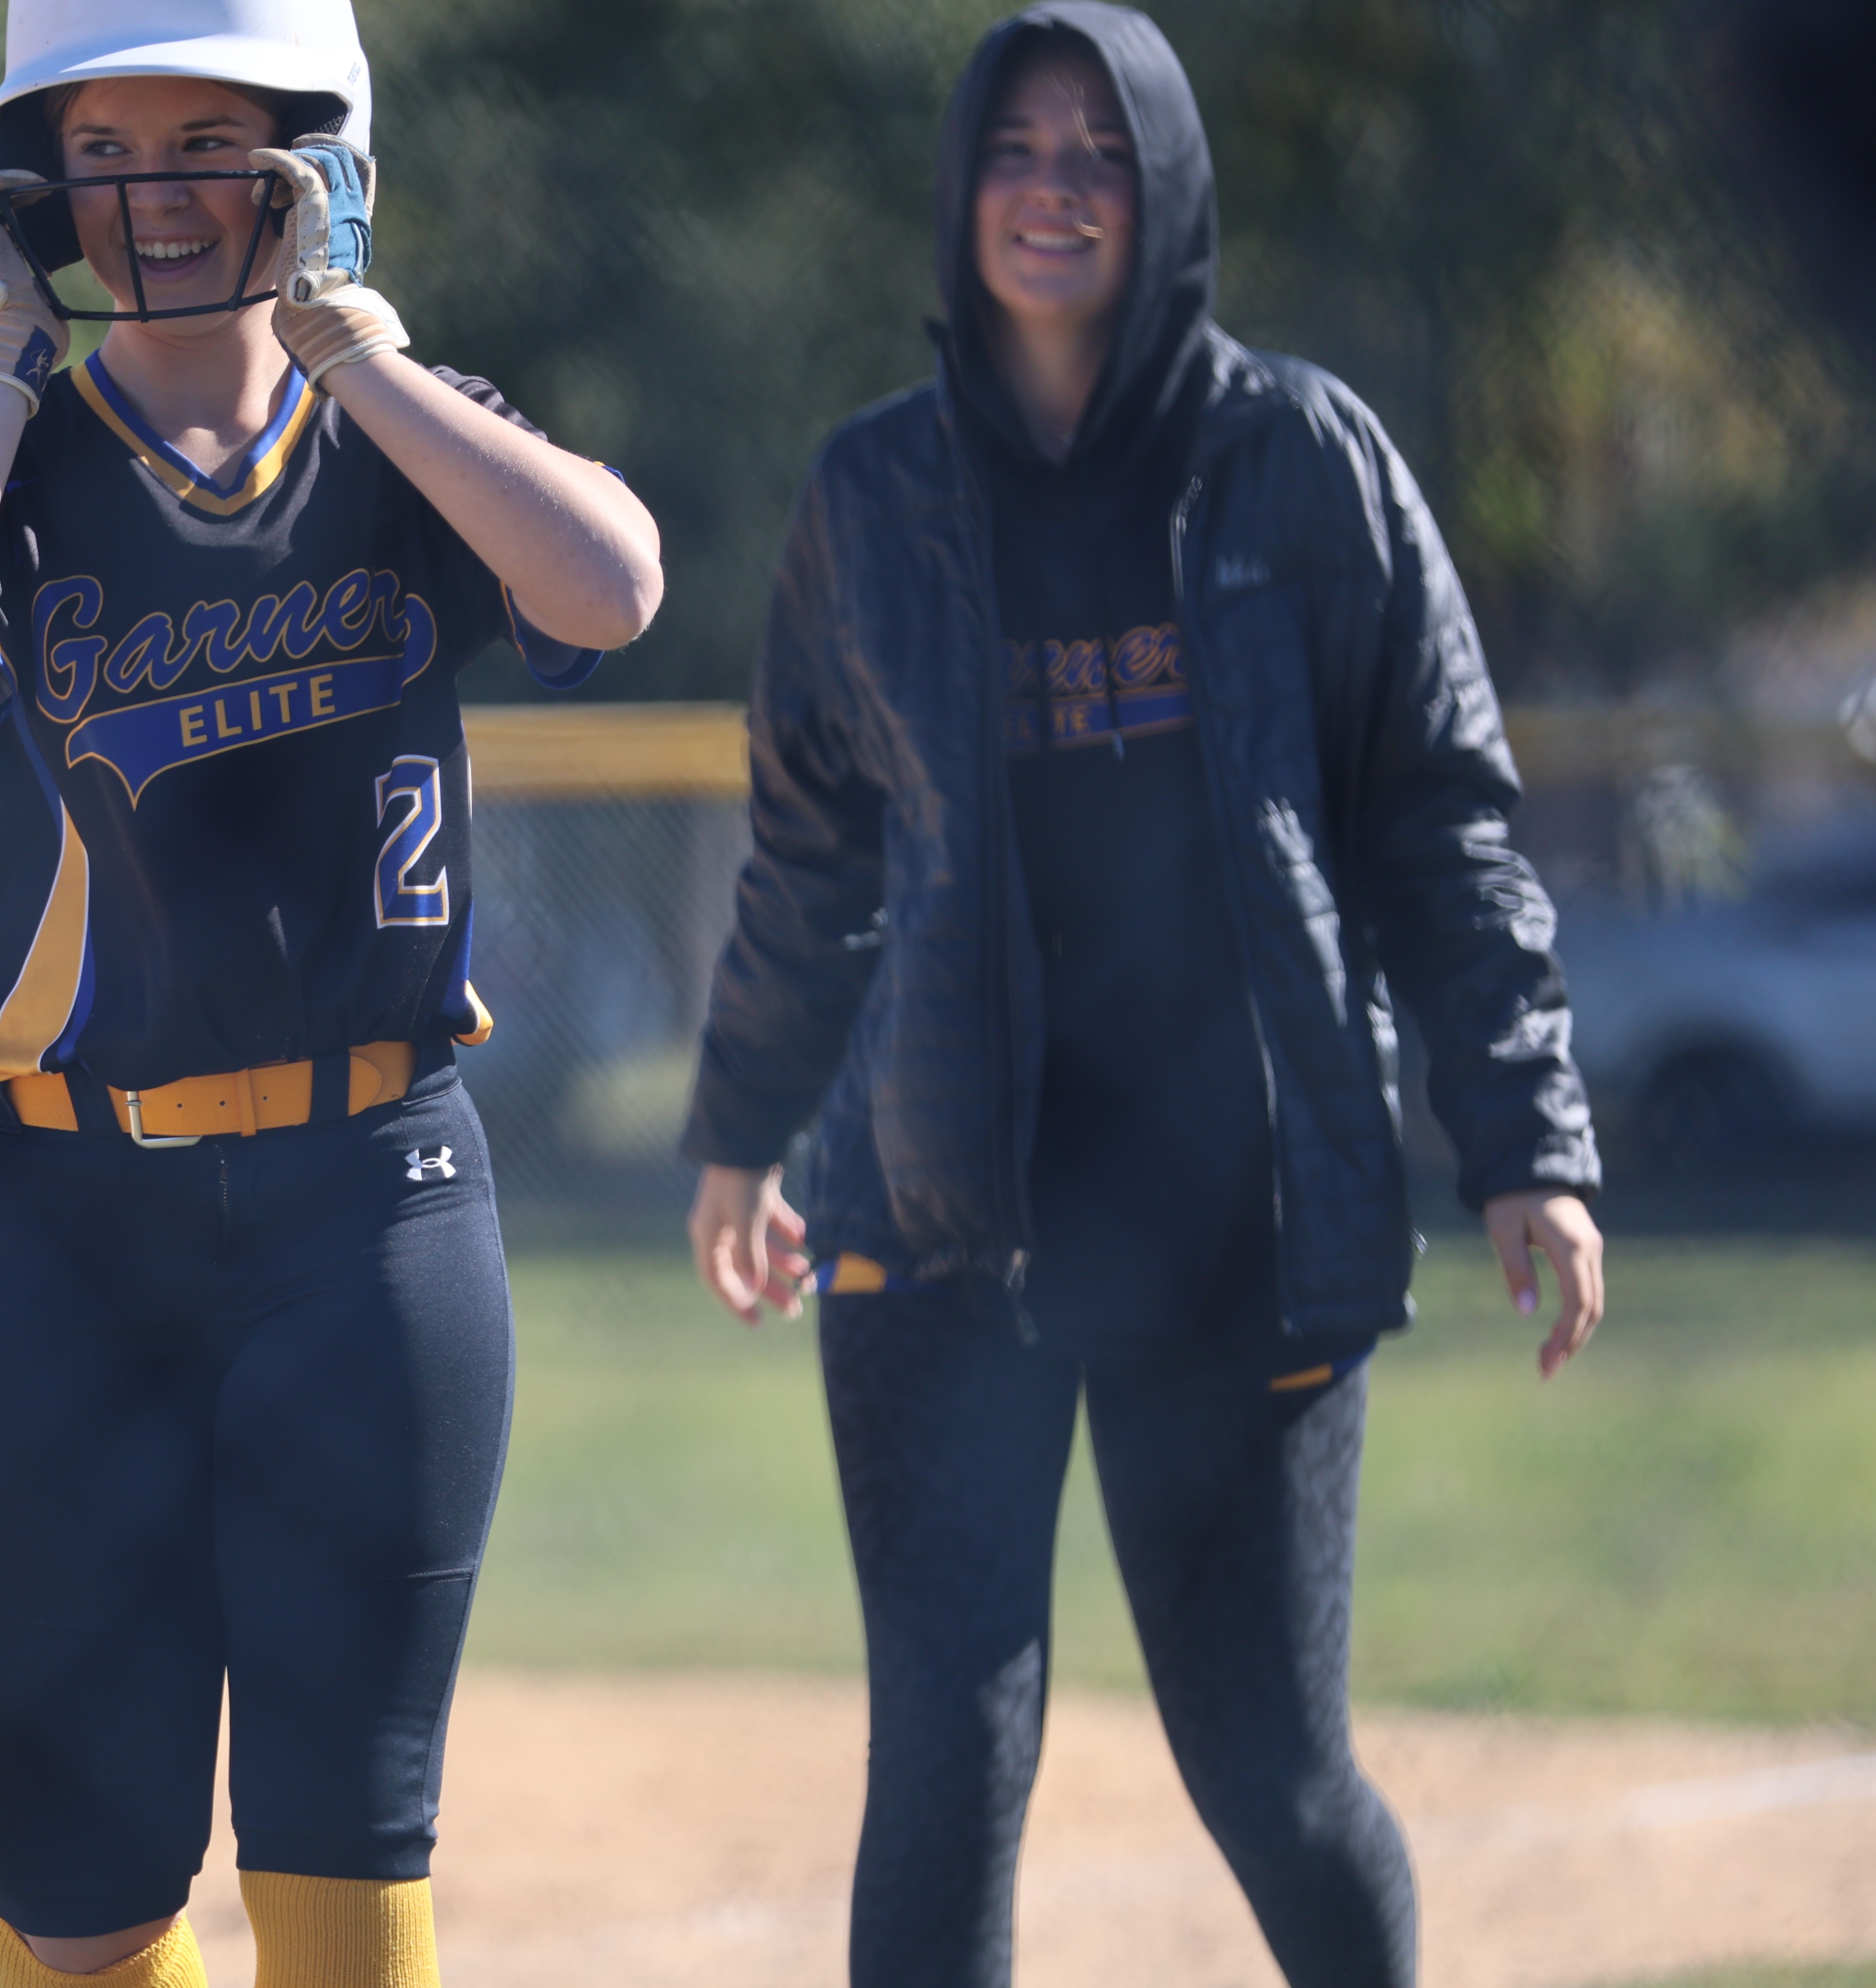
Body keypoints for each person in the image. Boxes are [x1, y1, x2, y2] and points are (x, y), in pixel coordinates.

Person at [678, 8, 1603, 1985]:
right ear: (960, 188)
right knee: (946, 1757)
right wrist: (741, 1127)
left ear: (1166, 189)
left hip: (1231, 1219)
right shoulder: (869, 492)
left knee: (1269, 1770)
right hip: (937, 1212)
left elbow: (1440, 829)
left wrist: (1525, 1138)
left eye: (1101, 151)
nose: (1055, 188)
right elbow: (810, 851)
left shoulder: (1305, 460)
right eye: (1016, 149)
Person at [0, 3, 662, 1983]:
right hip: (60, 1224)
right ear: (34, 189)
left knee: (344, 1854)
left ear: (312, 162)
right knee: (77, 1904)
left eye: (205, 142)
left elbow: (610, 586)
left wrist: (361, 348)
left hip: (374, 1208)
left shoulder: (406, 430)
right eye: (101, 153)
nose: (154, 196)